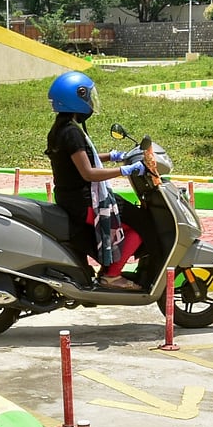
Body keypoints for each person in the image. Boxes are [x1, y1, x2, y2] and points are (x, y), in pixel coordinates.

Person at [45, 71, 148, 291]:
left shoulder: (60, 129)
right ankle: (111, 275)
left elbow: (79, 157)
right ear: (77, 98)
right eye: (87, 97)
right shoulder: (71, 132)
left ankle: (108, 267)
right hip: (84, 202)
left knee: (132, 218)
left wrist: (111, 156)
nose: (91, 102)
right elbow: (89, 173)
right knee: (143, 224)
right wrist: (124, 170)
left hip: (70, 197)